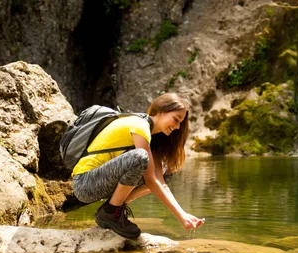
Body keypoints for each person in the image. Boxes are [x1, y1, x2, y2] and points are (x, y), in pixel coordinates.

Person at [71, 93, 205, 238]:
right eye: (176, 119)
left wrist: (183, 214)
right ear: (161, 111)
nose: (178, 127)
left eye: (180, 122)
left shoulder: (152, 137)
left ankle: (114, 209)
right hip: (85, 183)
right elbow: (150, 179)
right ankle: (111, 212)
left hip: (101, 181)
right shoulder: (140, 125)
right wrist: (180, 216)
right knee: (140, 157)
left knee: (167, 173)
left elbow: (160, 181)